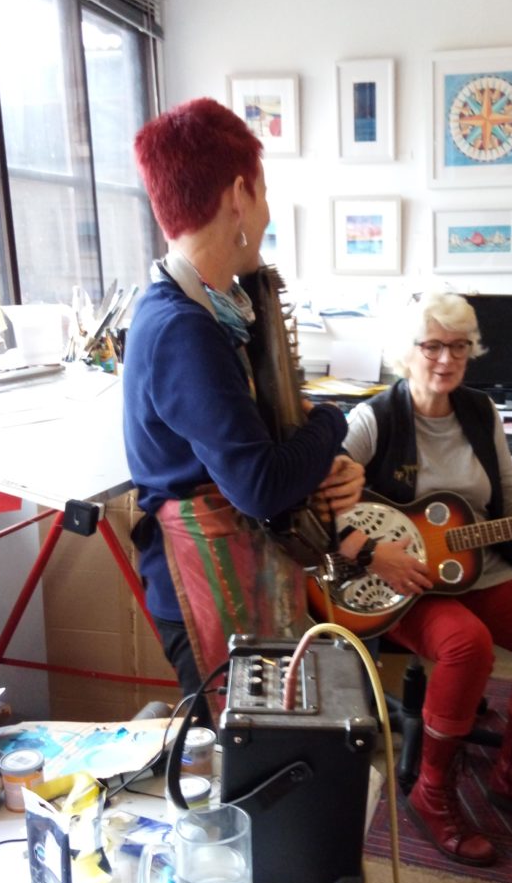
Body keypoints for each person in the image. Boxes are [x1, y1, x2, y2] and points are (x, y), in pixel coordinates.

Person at [340, 291, 512, 867]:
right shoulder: (373, 420)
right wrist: (370, 553)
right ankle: (431, 792)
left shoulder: (480, 412)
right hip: (401, 583)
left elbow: (511, 501)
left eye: (460, 346)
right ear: (405, 351)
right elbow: (314, 503)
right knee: (466, 645)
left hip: (477, 567)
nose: (447, 359)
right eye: (432, 346)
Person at [123, 97, 363, 709]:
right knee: (238, 753)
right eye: (264, 192)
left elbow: (249, 450)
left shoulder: (205, 310)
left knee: (261, 747)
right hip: (200, 584)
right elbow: (259, 486)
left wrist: (320, 461)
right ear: (239, 195)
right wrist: (332, 423)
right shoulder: (184, 327)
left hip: (225, 563)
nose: (267, 211)